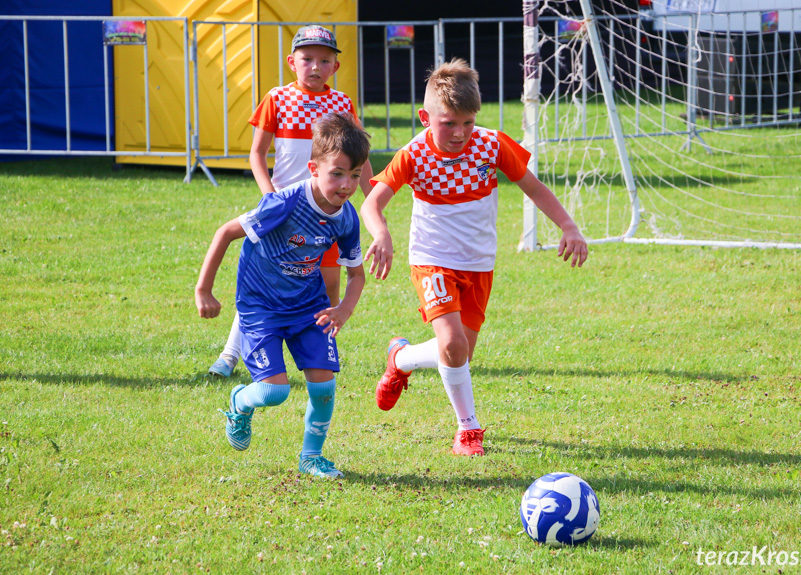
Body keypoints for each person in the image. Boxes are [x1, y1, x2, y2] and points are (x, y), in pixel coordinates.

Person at [360, 59, 589, 457]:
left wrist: (568, 227)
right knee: (452, 343)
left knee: (459, 351)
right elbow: (372, 204)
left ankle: (401, 358)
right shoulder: (413, 153)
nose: (459, 133)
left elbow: (534, 189)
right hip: (431, 259)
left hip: (479, 263)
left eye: (467, 122)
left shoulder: (491, 144)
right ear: (425, 116)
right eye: (448, 123)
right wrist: (382, 234)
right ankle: (469, 429)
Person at [195, 113, 369, 478]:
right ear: (313, 167)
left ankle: (311, 457)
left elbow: (356, 275)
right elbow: (226, 233)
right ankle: (241, 402)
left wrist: (342, 311)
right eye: (337, 173)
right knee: (275, 393)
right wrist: (204, 289)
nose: (346, 184)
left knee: (324, 387)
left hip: (309, 309)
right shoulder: (284, 204)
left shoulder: (347, 218)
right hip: (261, 309)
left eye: (354, 175)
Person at [209, 24, 373, 377]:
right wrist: (270, 194)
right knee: (266, 283)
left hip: (328, 213)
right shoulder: (278, 98)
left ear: (336, 67)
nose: (315, 66)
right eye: (307, 59)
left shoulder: (341, 103)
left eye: (324, 60)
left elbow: (358, 156)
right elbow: (257, 153)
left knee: (328, 283)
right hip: (284, 213)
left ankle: (320, 345)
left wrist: (371, 198)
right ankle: (229, 354)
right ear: (292, 62)